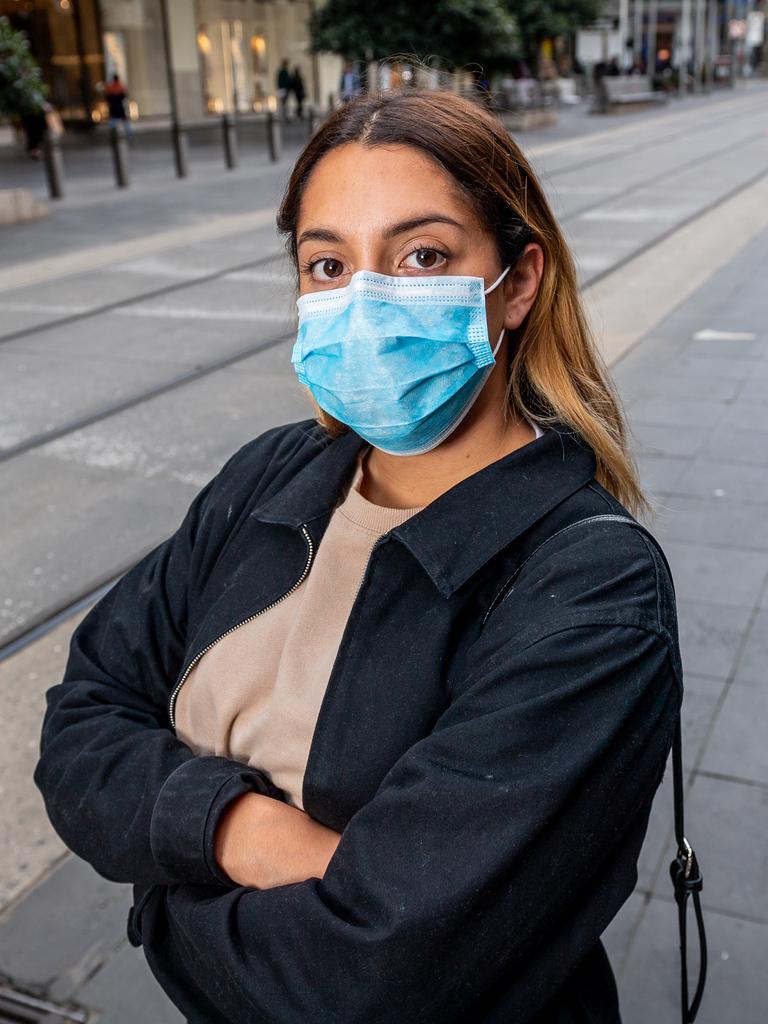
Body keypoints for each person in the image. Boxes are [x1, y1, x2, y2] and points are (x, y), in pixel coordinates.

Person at [34, 89, 682, 1023]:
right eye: (327, 263)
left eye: (422, 255)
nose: (366, 299)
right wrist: (244, 833)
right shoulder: (272, 475)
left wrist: (166, 899)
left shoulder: (591, 590)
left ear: (520, 280)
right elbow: (83, 724)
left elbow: (377, 981)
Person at [104, 72, 132, 138]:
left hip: (113, 107)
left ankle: (112, 133)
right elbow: (124, 95)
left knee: (112, 121)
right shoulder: (120, 86)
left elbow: (108, 97)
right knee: (124, 120)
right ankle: (129, 133)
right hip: (119, 106)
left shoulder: (110, 87)